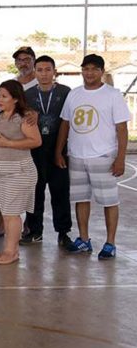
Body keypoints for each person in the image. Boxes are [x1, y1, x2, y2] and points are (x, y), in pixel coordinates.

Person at [56, 54, 130, 260]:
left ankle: (110, 243)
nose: (89, 73)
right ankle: (84, 239)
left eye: (94, 69)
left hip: (103, 156)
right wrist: (59, 151)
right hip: (77, 156)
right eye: (86, 69)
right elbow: (65, 124)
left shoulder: (113, 95)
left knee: (109, 201)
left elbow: (122, 128)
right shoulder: (74, 94)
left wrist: (120, 158)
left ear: (101, 72)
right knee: (81, 199)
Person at [0, 80, 42, 265]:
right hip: (1, 170)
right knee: (7, 213)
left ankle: (10, 252)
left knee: (12, 214)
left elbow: (36, 141)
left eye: (4, 96)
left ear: (16, 99)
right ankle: (11, 250)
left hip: (19, 170)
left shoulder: (24, 117)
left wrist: (8, 143)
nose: (0, 99)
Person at [22, 56, 73, 246]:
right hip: (35, 148)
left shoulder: (65, 92)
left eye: (47, 69)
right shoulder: (27, 95)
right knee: (35, 191)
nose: (44, 74)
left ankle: (63, 232)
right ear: (35, 72)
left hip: (58, 147)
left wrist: (60, 151)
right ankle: (35, 231)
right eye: (40, 70)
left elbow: (68, 122)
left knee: (60, 191)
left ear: (54, 71)